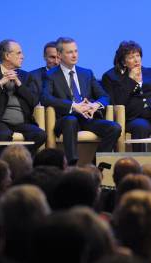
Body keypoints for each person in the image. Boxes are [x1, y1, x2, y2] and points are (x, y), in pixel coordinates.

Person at [41, 37, 120, 166]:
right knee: (71, 120)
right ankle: (72, 165)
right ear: (59, 55)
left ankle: (95, 166)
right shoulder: (51, 75)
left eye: (76, 51)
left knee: (115, 128)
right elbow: (45, 98)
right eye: (69, 52)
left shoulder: (86, 73)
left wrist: (95, 105)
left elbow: (105, 96)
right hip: (66, 119)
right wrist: (73, 106)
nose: (74, 55)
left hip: (87, 118)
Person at [0, 39, 47, 154]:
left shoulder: (26, 76)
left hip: (23, 123)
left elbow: (34, 101)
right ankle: (9, 165)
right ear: (7, 55)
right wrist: (1, 83)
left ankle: (20, 158)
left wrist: (19, 84)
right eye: (19, 53)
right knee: (3, 136)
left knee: (41, 135)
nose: (23, 56)